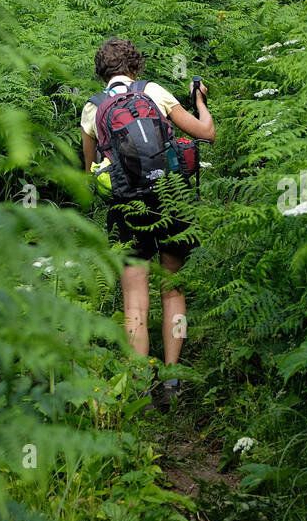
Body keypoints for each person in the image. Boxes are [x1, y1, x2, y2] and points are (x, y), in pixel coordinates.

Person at [80, 37, 215, 407]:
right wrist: (199, 101)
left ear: (101, 73)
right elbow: (206, 133)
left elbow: (91, 172)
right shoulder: (152, 91)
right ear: (134, 67)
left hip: (127, 209)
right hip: (171, 198)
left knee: (134, 300)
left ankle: (140, 385)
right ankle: (172, 380)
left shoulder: (93, 109)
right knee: (173, 288)